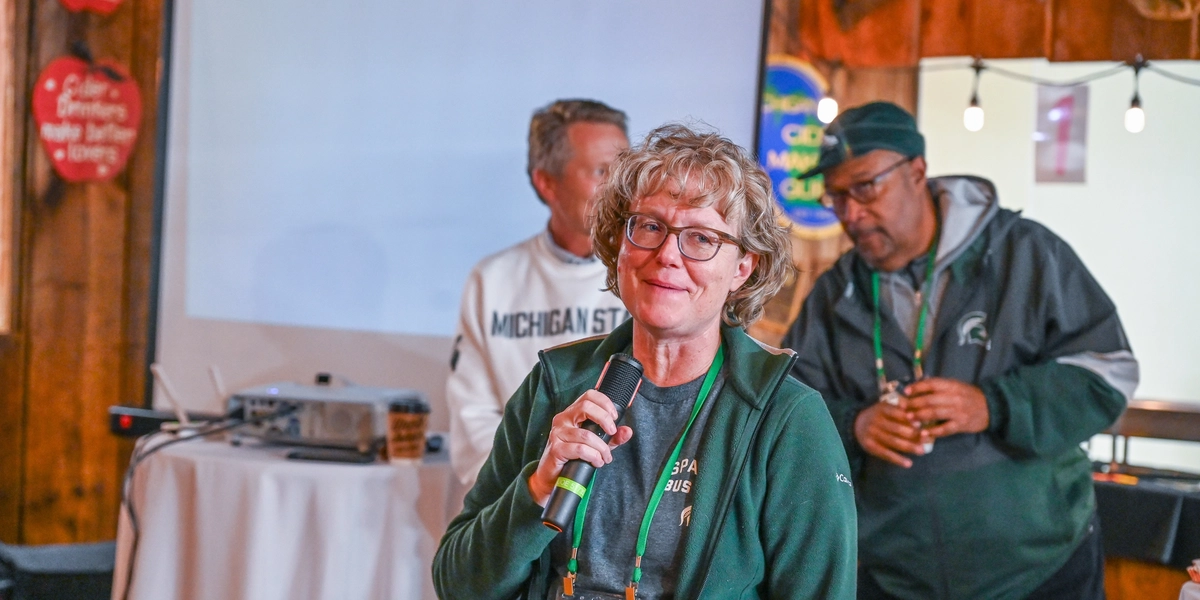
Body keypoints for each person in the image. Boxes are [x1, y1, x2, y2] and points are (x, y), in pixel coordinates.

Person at [434, 124, 857, 599]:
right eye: (650, 227)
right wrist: (536, 487)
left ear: (743, 267)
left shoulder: (785, 417)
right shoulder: (556, 385)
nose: (666, 256)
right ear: (620, 245)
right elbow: (458, 585)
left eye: (700, 238)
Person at [781, 101, 1139, 600]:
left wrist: (993, 405)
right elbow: (787, 415)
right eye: (835, 197)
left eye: (865, 188)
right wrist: (855, 425)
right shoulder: (833, 294)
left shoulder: (1026, 254)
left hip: (1043, 572)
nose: (851, 214)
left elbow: (1109, 372)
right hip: (892, 577)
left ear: (918, 172)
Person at [447, 99, 632, 488]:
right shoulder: (493, 280)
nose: (621, 187)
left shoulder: (655, 278)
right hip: (522, 500)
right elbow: (473, 421)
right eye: (602, 171)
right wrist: (532, 491)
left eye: (627, 170)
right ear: (546, 182)